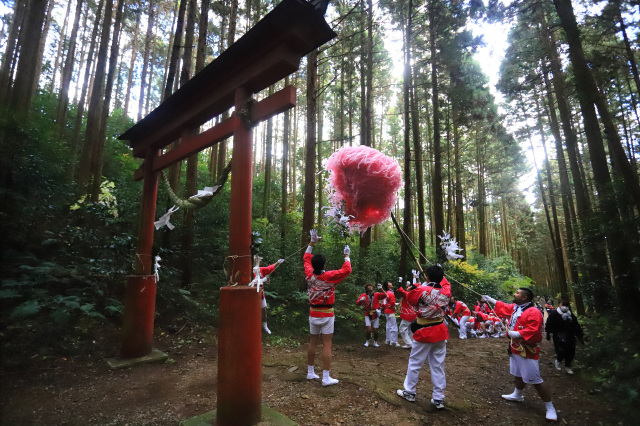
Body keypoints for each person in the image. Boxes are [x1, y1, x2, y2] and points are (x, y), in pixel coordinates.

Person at [482, 288, 558, 422]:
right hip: (514, 347)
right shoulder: (516, 307)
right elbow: (505, 307)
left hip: (527, 349)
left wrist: (516, 334)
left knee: (535, 379)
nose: (514, 294)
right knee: (516, 373)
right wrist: (491, 300)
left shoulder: (533, 311)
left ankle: (550, 407)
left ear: (525, 297)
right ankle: (518, 394)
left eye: (517, 293)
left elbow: (534, 329)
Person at [396, 264, 451, 410]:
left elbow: (411, 299)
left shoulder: (421, 290)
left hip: (425, 331)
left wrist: (407, 290)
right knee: (438, 365)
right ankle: (439, 398)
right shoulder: (446, 291)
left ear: (427, 277)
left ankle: (409, 392)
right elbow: (444, 282)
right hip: (440, 330)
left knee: (415, 363)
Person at [304, 229, 352, 387]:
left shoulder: (309, 274)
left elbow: (306, 258)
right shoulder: (328, 276)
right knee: (327, 344)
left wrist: (312, 243)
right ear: (324, 265)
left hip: (313, 312)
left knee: (312, 342)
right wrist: (346, 256)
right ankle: (325, 377)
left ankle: (310, 372)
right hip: (327, 314)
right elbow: (347, 270)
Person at [545, 298, 583, 375]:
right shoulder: (554, 314)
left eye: (566, 305)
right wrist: (548, 333)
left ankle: (568, 367)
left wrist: (579, 335)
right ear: (559, 305)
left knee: (571, 351)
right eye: (563, 305)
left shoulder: (571, 314)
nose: (565, 307)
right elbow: (549, 324)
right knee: (561, 350)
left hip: (570, 335)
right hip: (558, 336)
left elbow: (576, 325)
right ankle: (558, 360)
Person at [253, 258, 284, 335]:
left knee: (264, 310)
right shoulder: (249, 272)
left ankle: (265, 326)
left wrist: (277, 262)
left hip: (261, 293)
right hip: (252, 295)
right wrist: (262, 280)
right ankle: (254, 326)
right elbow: (251, 282)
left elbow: (269, 268)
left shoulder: (260, 269)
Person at [356, 283, 385, 347]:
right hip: (367, 313)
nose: (370, 288)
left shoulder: (376, 294)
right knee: (368, 329)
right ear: (366, 288)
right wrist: (360, 301)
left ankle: (375, 342)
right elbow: (357, 304)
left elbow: (385, 296)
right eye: (369, 287)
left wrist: (381, 289)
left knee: (375, 331)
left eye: (371, 286)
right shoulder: (363, 295)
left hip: (375, 314)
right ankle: (367, 341)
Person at [396, 278, 417, 349]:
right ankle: (411, 343)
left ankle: (410, 344)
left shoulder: (407, 294)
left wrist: (400, 282)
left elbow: (399, 289)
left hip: (408, 315)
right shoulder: (415, 295)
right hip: (414, 314)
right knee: (410, 330)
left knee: (402, 329)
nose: (407, 287)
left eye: (409, 287)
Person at [382, 280, 400, 347]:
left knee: (388, 325)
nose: (391, 283)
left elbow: (383, 304)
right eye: (389, 282)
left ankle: (388, 339)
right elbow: (392, 303)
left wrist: (396, 304)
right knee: (393, 326)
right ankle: (393, 341)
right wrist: (394, 306)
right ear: (388, 286)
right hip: (391, 311)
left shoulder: (386, 293)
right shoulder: (391, 293)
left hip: (386, 311)